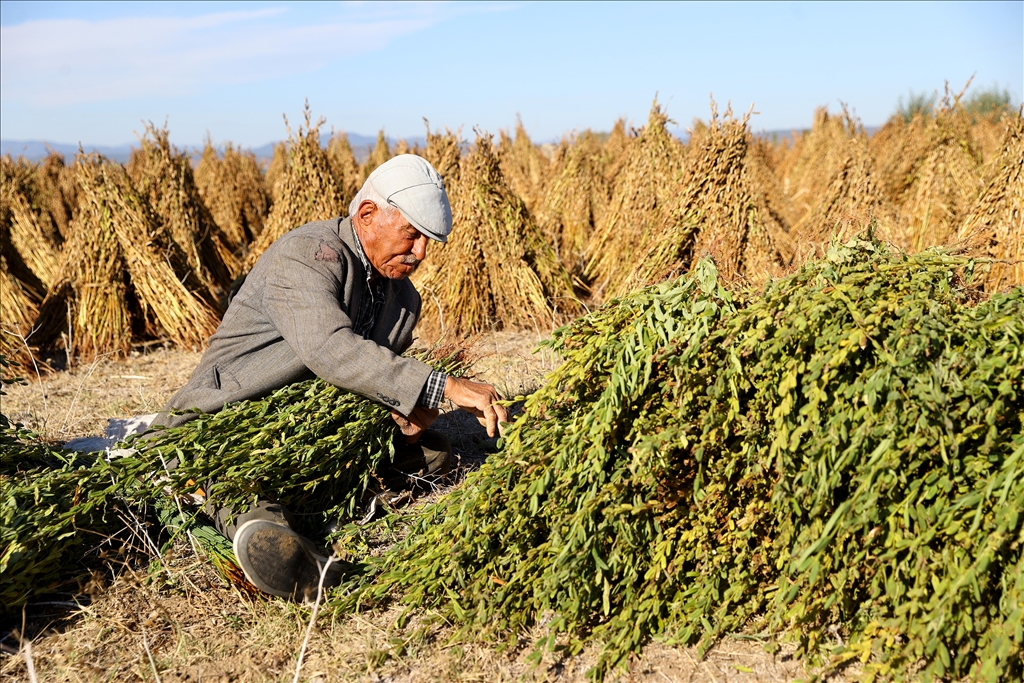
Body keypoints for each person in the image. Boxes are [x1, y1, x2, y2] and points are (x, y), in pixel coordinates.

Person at [152, 154, 508, 600]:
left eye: (427, 242)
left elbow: (366, 382)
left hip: (306, 432)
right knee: (242, 491)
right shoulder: (307, 256)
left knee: (435, 453)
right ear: (367, 215)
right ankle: (276, 542)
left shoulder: (403, 301)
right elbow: (332, 350)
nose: (420, 253)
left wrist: (403, 419)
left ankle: (327, 502)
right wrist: (444, 386)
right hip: (229, 420)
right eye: (411, 234)